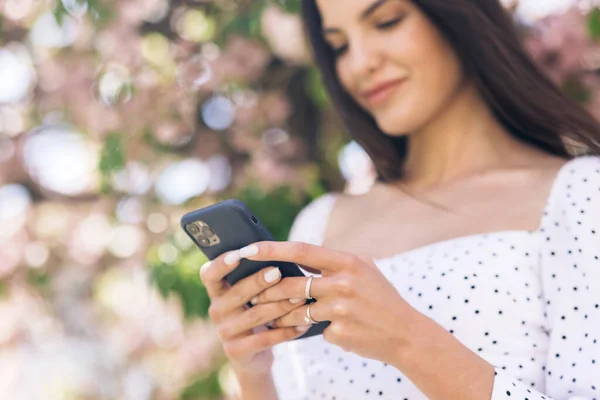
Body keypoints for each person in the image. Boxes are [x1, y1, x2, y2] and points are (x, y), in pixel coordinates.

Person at [198, 0, 600, 399]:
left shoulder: (580, 193)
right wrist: (253, 373)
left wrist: (409, 342)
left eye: (385, 22)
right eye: (339, 46)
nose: (359, 64)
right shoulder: (320, 223)